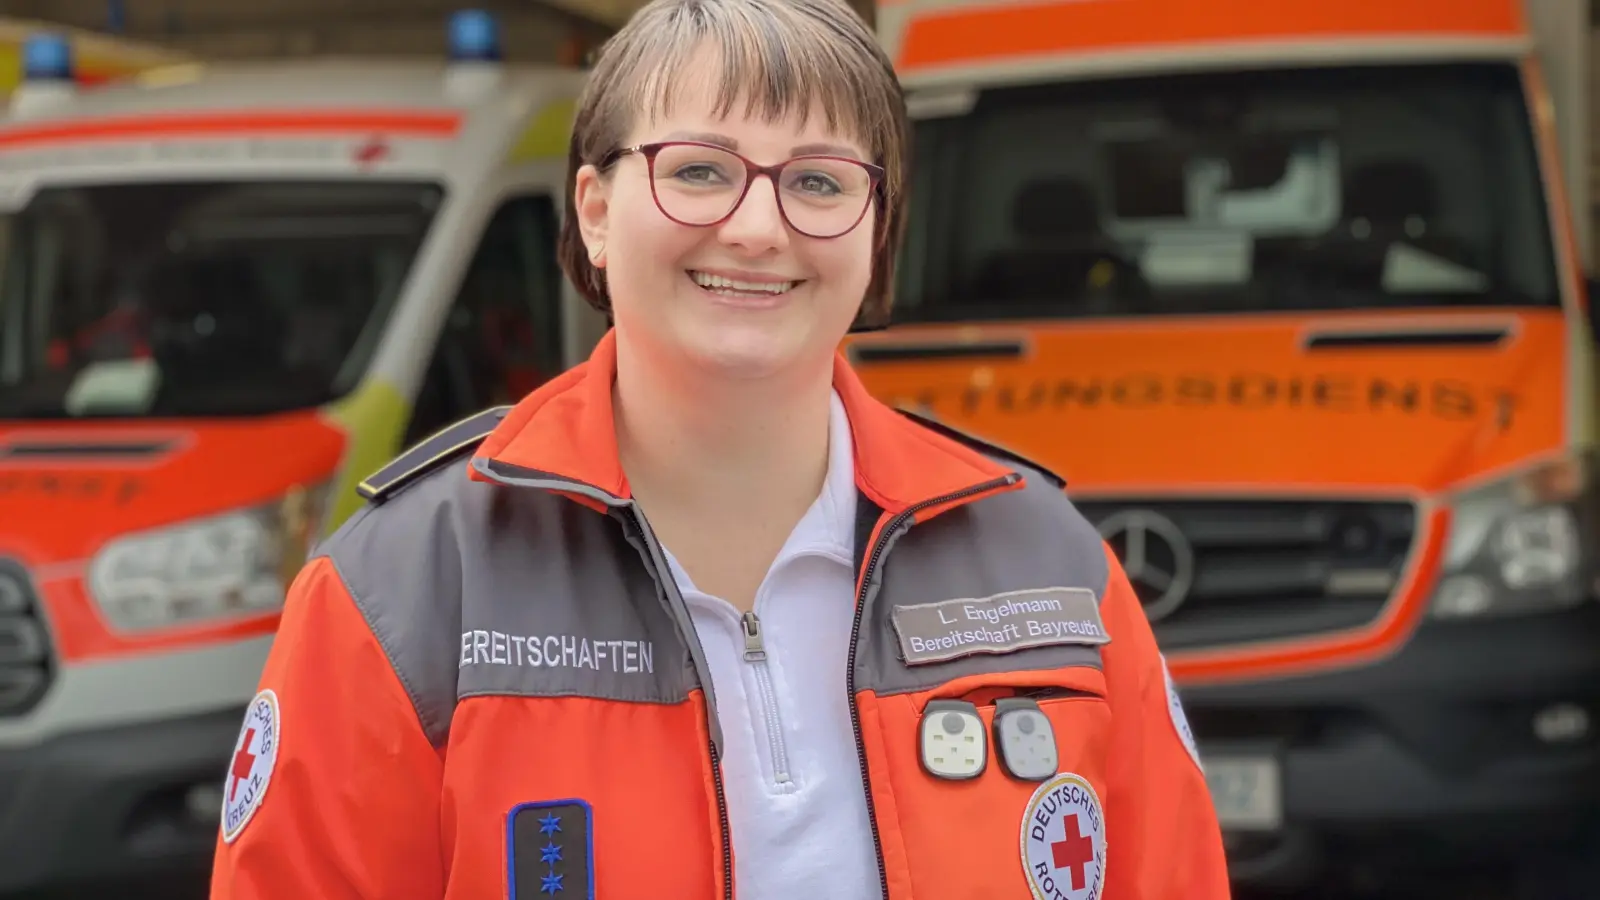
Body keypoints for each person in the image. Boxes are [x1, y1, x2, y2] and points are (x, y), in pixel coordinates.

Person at [206, 0, 1232, 896]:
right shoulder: (407, 590)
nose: (756, 227)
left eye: (819, 182)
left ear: (878, 231)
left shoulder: (1047, 564)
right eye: (699, 170)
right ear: (595, 212)